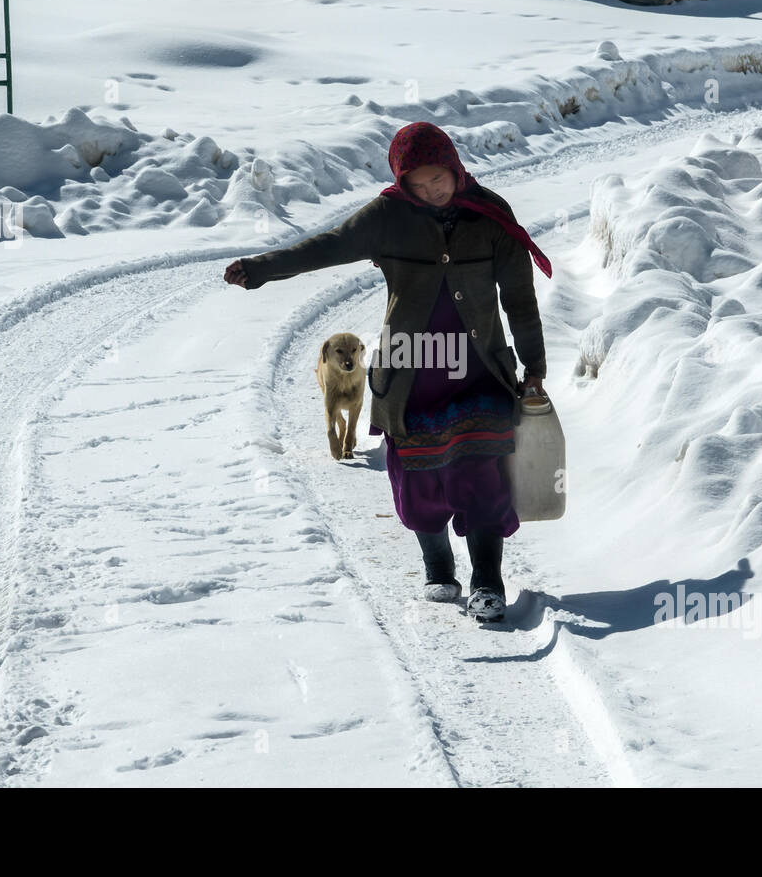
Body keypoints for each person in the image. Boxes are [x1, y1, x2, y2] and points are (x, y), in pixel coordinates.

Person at [225, 121, 551, 622]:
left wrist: (533, 365)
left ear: (454, 166)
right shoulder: (389, 216)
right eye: (416, 185)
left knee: (482, 469)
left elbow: (520, 300)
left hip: (479, 367)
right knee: (421, 474)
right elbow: (328, 245)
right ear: (401, 183)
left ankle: (489, 580)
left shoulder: (490, 216)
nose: (430, 191)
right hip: (410, 368)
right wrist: (264, 267)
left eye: (437, 178)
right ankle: (438, 566)